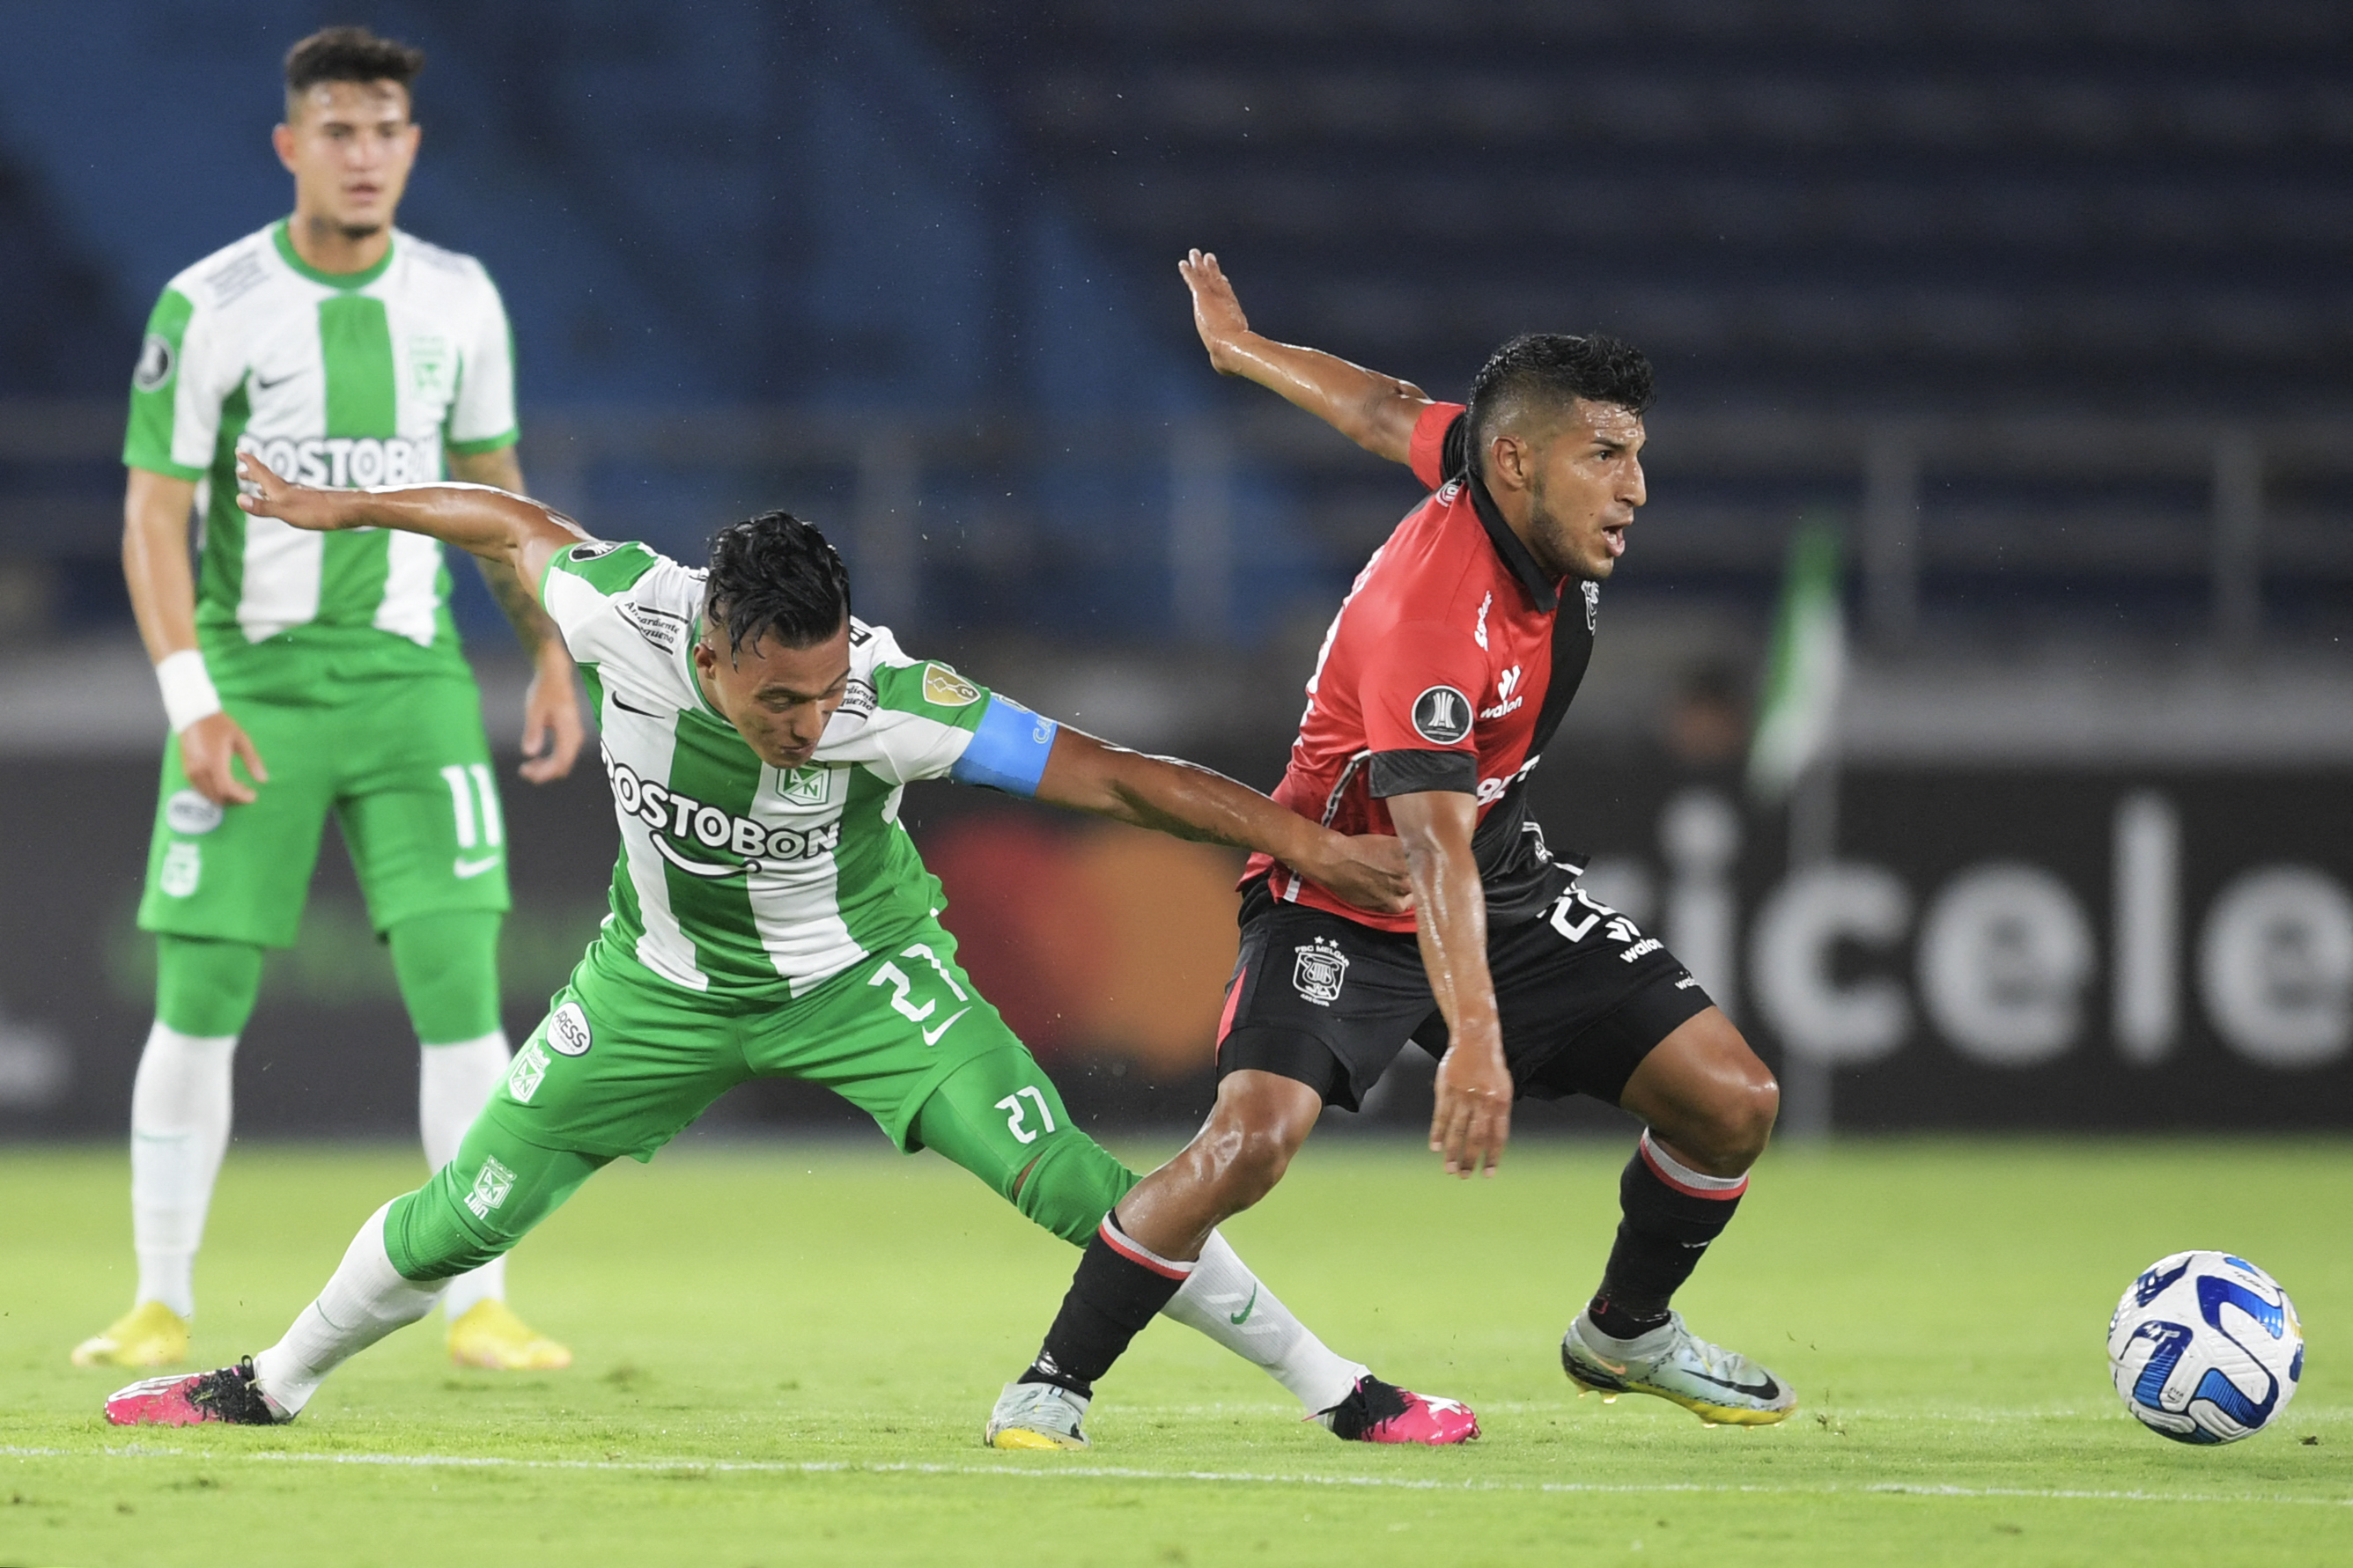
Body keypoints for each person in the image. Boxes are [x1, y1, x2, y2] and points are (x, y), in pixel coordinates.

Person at [101, 454, 1479, 1449]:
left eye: (826, 691)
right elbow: (511, 524)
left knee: (1070, 1179)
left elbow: (1112, 775)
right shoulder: (625, 610)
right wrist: (345, 506)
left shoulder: (887, 694)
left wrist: (1308, 849)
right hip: (656, 987)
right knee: (468, 1211)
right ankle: (267, 1381)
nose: (813, 720)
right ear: (708, 649)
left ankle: (1340, 1389)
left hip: (865, 984)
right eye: (781, 700)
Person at [985, 251, 1793, 1447]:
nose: (1634, 489)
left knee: (1732, 1101)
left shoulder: (1494, 472)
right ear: (1520, 463)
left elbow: (1378, 410)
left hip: (1493, 874)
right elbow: (1427, 858)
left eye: (1635, 454)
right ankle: (1053, 1379)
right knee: (1249, 1143)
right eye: (1604, 457)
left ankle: (1627, 1330)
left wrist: (1239, 350)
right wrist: (1474, 1041)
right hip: (1340, 892)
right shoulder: (1435, 618)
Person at [77, 27, 586, 1375]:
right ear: (290, 145)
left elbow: (497, 499)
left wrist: (546, 651)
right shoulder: (211, 302)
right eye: (338, 130)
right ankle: (157, 1300)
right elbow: (152, 511)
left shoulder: (460, 297)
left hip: (413, 685)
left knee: (460, 988)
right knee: (201, 989)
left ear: (414, 146)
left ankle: (480, 1301)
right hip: (254, 682)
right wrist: (190, 695)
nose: (364, 155)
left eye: (386, 131)